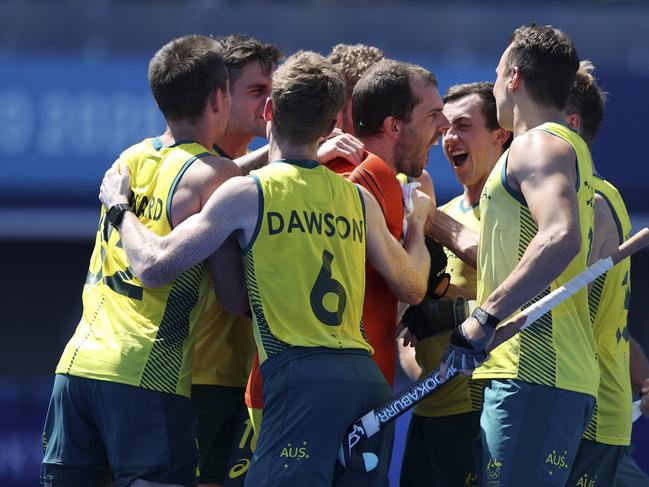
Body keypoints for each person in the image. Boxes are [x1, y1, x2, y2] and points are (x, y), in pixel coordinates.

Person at [99, 51, 433, 487]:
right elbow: (413, 286)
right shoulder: (358, 199)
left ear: (270, 110)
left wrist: (121, 209)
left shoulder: (247, 192)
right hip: (364, 379)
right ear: (333, 123)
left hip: (298, 380)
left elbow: (155, 264)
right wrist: (421, 225)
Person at [41, 35, 237, 487]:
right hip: (146, 377)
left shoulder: (125, 161)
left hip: (75, 369)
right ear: (217, 97)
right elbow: (232, 297)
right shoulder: (217, 175)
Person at [439, 24, 598, 486]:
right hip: (543, 375)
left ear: (513, 79)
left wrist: (484, 315)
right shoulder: (562, 147)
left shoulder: (536, 144)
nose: (493, 86)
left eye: (494, 75)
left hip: (534, 372)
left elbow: (561, 236)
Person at [399, 82, 510, 487]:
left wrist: (453, 310)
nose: (449, 138)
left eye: (463, 126)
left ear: (500, 135)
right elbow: (409, 315)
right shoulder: (438, 211)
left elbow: (525, 292)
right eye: (444, 127)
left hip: (477, 416)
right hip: (425, 414)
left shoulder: (516, 211)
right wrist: (423, 377)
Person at [191, 34, 281, 487]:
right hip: (199, 376)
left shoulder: (258, 173)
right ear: (220, 96)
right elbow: (220, 183)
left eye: (273, 92)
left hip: (250, 380)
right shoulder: (193, 171)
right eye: (256, 91)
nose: (269, 105)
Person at [564, 61, 649, 487]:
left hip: (584, 414)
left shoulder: (593, 202)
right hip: (589, 410)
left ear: (570, 126)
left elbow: (565, 308)